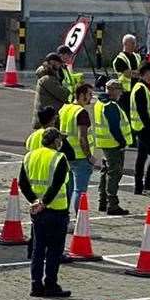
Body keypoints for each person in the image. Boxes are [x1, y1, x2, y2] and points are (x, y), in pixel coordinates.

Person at [20, 127, 71, 298]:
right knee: (55, 250)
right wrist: (44, 202)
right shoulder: (59, 158)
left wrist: (34, 201)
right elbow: (57, 185)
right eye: (60, 139)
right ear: (56, 141)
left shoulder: (29, 156)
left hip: (37, 211)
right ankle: (50, 284)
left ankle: (36, 285)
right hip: (56, 210)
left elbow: (23, 183)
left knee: (38, 249)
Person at [59, 82, 96, 215]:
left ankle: (65, 217)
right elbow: (82, 137)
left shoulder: (64, 108)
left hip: (66, 155)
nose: (91, 98)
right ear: (81, 95)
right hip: (80, 156)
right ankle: (80, 219)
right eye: (89, 94)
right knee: (79, 190)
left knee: (68, 188)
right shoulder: (81, 113)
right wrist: (89, 156)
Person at [94, 80, 129, 216]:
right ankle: (112, 203)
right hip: (113, 144)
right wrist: (121, 142)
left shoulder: (100, 103)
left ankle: (102, 200)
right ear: (114, 90)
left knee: (105, 171)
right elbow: (114, 127)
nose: (120, 94)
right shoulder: (110, 105)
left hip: (104, 142)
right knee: (114, 173)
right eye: (119, 90)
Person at [129, 63, 150, 197]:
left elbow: (149, 110)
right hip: (144, 129)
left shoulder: (142, 87)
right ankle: (147, 186)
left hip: (142, 128)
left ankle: (139, 187)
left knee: (142, 157)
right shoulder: (141, 88)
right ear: (143, 74)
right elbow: (142, 111)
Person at [111, 34, 142, 112]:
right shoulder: (119, 59)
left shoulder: (137, 56)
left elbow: (141, 71)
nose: (134, 45)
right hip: (124, 93)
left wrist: (137, 72)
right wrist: (138, 72)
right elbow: (128, 74)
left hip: (136, 91)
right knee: (125, 114)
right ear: (125, 43)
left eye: (134, 43)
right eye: (132, 43)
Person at [35, 52, 69, 117]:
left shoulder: (49, 75)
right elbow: (63, 94)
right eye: (58, 63)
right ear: (52, 63)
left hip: (48, 116)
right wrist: (67, 89)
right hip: (47, 119)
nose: (59, 66)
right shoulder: (47, 78)